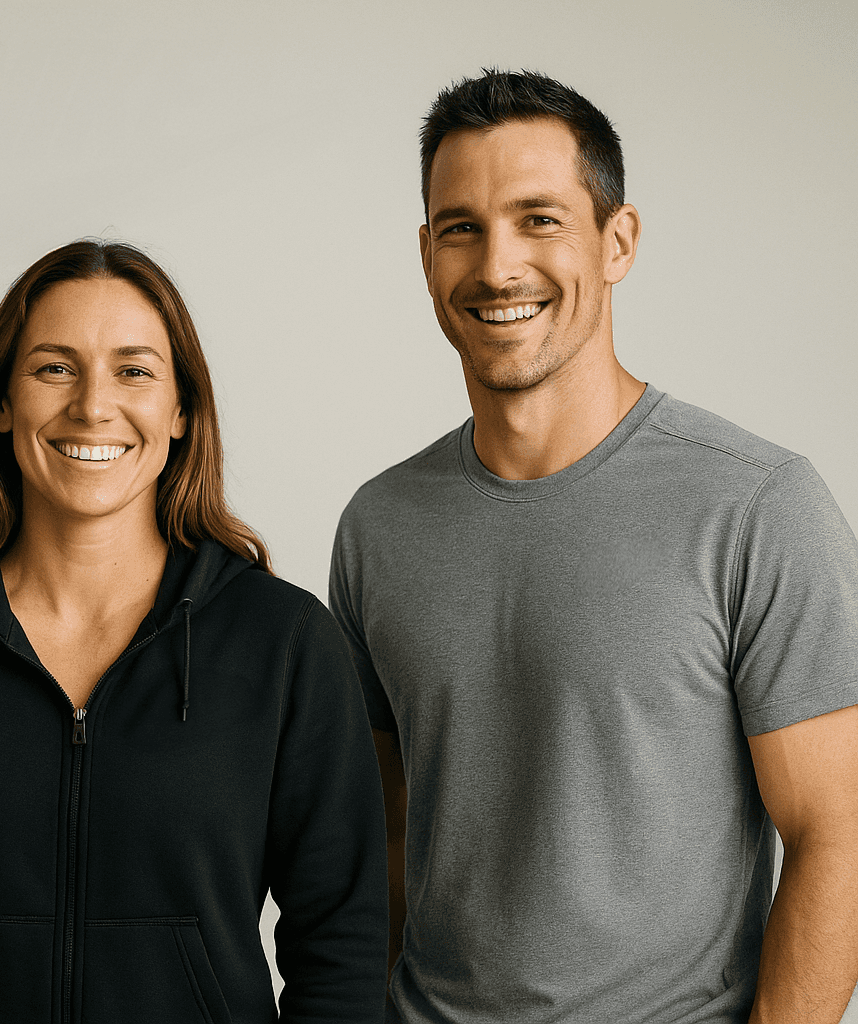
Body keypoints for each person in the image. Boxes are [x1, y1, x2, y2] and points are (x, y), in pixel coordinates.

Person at [330, 69, 858, 1024]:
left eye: (539, 220)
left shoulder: (756, 505)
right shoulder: (379, 525)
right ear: (426, 254)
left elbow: (840, 835)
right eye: (461, 228)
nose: (498, 267)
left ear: (618, 242)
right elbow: (386, 832)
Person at [0, 240, 387, 1023]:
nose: (93, 405)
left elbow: (341, 947)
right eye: (54, 368)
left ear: (181, 412)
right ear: (1, 404)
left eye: (134, 371)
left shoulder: (285, 646)